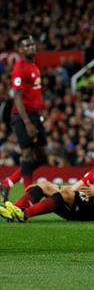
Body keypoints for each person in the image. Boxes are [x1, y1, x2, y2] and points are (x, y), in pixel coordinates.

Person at [0, 132, 94, 222]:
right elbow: (73, 188)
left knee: (65, 192)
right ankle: (12, 210)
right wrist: (51, 188)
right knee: (44, 184)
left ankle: (25, 214)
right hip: (84, 204)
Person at [1, 35, 48, 203]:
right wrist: (27, 122)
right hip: (22, 116)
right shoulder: (20, 68)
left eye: (31, 44)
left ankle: (7, 182)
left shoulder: (34, 66)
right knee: (27, 153)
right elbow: (18, 98)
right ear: (20, 50)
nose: (30, 47)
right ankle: (27, 197)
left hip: (35, 115)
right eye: (26, 46)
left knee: (43, 155)